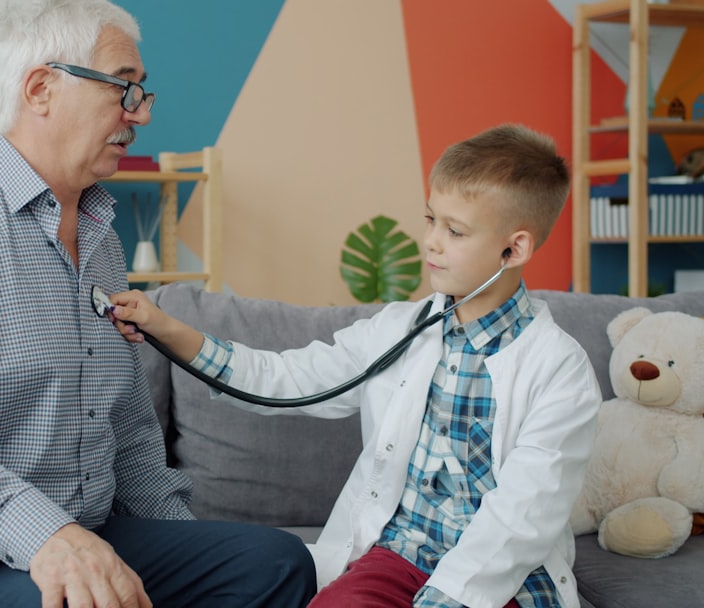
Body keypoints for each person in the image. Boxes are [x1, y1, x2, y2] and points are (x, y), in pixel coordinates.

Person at [0, 1, 317, 607]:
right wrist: (47, 535)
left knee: (274, 563)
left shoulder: (100, 237)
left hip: (82, 532)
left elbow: (128, 429)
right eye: (124, 88)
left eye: (143, 93)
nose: (140, 114)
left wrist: (187, 547)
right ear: (41, 89)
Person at [106, 124, 603, 608]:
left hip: (502, 580)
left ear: (514, 248)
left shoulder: (560, 370)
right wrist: (167, 328)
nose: (431, 241)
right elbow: (284, 380)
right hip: (397, 558)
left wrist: (444, 599)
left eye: (455, 231)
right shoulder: (397, 330)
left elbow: (521, 517)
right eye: (431, 219)